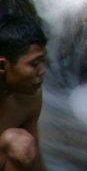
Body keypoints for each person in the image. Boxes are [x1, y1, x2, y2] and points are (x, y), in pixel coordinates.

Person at [0, 14, 47, 171]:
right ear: (3, 66)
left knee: (21, 145)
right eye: (34, 64)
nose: (42, 71)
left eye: (43, 61)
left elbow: (34, 157)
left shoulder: (30, 96)